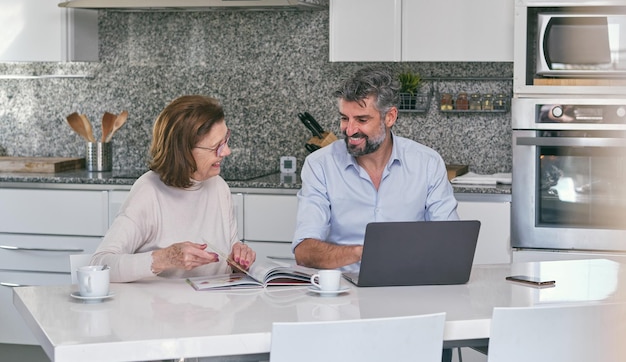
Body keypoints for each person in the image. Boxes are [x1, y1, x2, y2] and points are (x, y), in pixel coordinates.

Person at [292, 67, 459, 271]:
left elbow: (450, 242)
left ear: (389, 117)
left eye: (362, 120)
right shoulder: (319, 165)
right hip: (342, 293)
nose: (350, 130)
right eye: (345, 118)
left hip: (409, 286)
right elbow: (304, 251)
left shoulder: (427, 163)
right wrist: (365, 252)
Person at [91, 95, 256, 282]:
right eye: (216, 147)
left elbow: (228, 269)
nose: (227, 152)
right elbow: (100, 265)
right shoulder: (149, 192)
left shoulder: (218, 186)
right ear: (184, 152)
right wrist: (164, 258)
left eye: (225, 140)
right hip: (158, 309)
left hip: (212, 307)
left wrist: (238, 260)